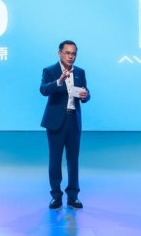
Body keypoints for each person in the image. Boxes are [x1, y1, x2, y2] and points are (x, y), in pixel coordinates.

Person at [39, 40, 90, 209]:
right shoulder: (49, 71)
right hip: (55, 122)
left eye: (73, 53)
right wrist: (59, 81)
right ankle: (56, 196)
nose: (71, 56)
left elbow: (86, 92)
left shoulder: (80, 72)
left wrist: (85, 96)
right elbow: (43, 90)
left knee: (73, 160)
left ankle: (73, 196)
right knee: (55, 159)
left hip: (73, 120)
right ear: (59, 53)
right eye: (67, 53)